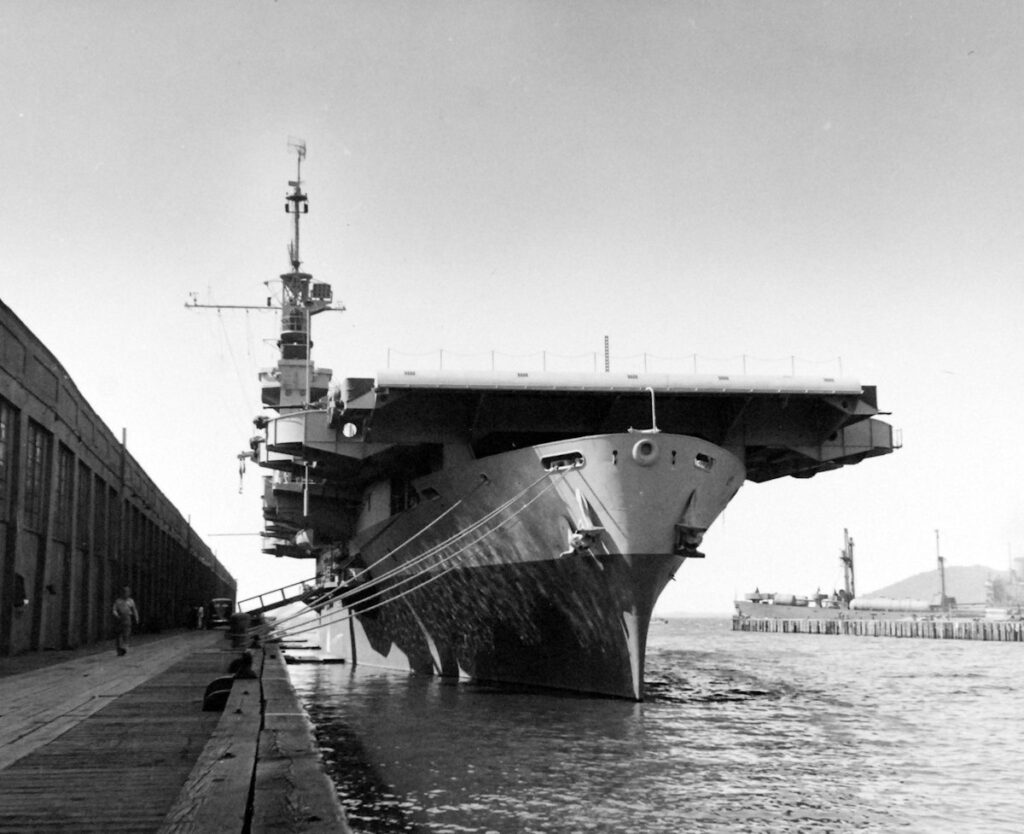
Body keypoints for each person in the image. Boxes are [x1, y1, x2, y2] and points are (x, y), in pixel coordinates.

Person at [112, 586, 140, 656]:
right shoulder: (118, 601)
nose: (126, 594)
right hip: (120, 618)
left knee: (126, 634)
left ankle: (124, 648)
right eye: (124, 592)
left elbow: (134, 609)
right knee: (118, 635)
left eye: (127, 592)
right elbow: (114, 609)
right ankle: (119, 649)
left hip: (127, 618)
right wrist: (117, 615)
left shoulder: (131, 601)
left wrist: (136, 617)